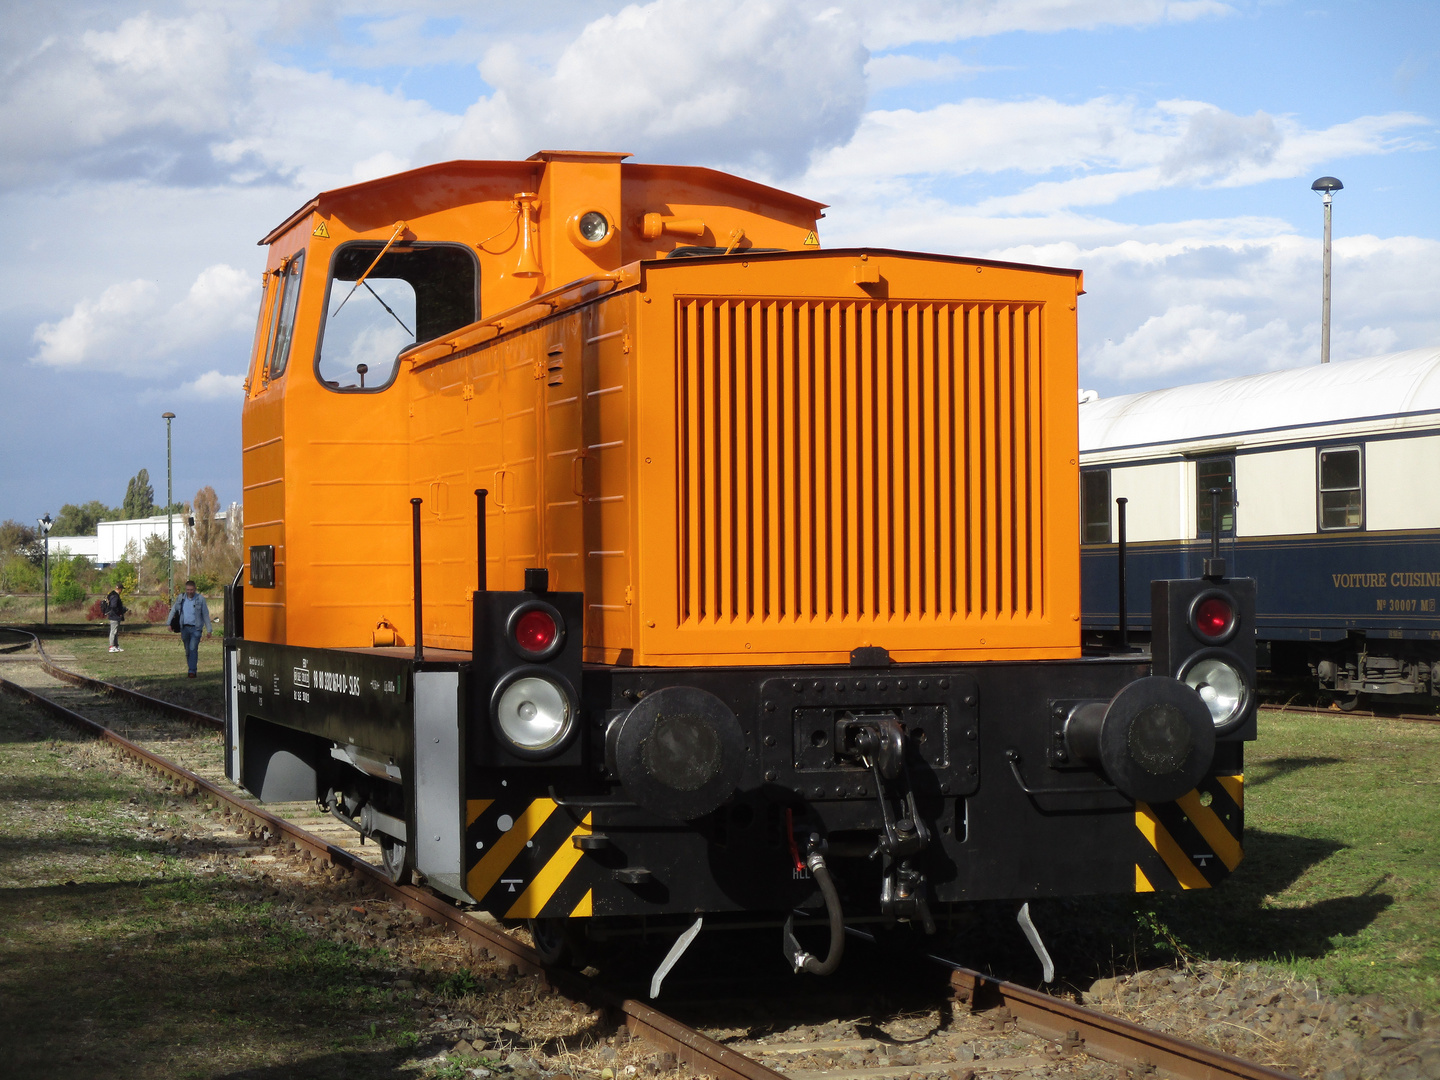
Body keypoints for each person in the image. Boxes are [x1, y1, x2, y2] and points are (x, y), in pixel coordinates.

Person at [168, 580, 213, 678]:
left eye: (191, 590)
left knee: (193, 648)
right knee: (188, 650)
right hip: (184, 628)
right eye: (188, 590)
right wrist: (169, 623)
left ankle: (192, 671)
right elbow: (173, 610)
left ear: (195, 589)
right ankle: (191, 668)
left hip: (196, 629)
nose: (190, 592)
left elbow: (205, 614)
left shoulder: (200, 599)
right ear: (186, 589)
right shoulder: (181, 598)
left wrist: (209, 629)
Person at [104, 585, 127, 652]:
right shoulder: (115, 596)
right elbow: (114, 606)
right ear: (119, 589)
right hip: (114, 616)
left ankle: (116, 646)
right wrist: (120, 612)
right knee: (113, 631)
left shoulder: (112, 595)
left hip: (114, 615)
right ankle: (112, 646)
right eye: (121, 589)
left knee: (115, 631)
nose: (122, 591)